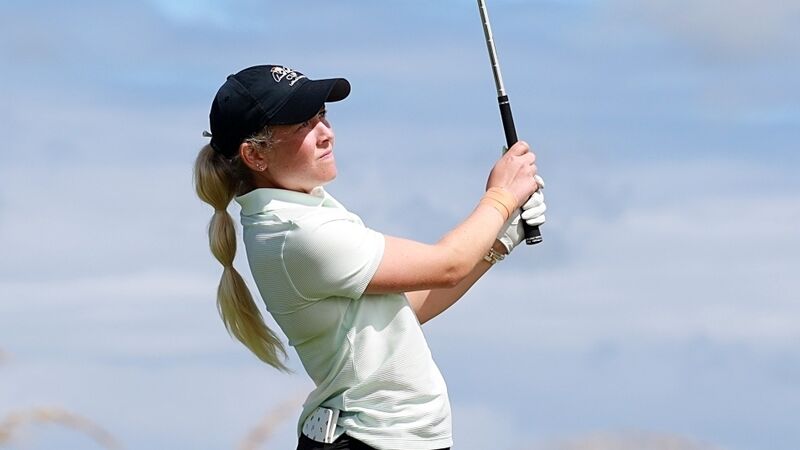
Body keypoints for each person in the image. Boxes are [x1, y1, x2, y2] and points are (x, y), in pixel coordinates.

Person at [193, 65, 546, 450]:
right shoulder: (297, 233)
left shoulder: (305, 210)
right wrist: (502, 196)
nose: (326, 133)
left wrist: (498, 243)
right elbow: (447, 264)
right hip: (365, 441)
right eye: (302, 125)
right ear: (254, 155)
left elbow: (402, 311)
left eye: (322, 116)